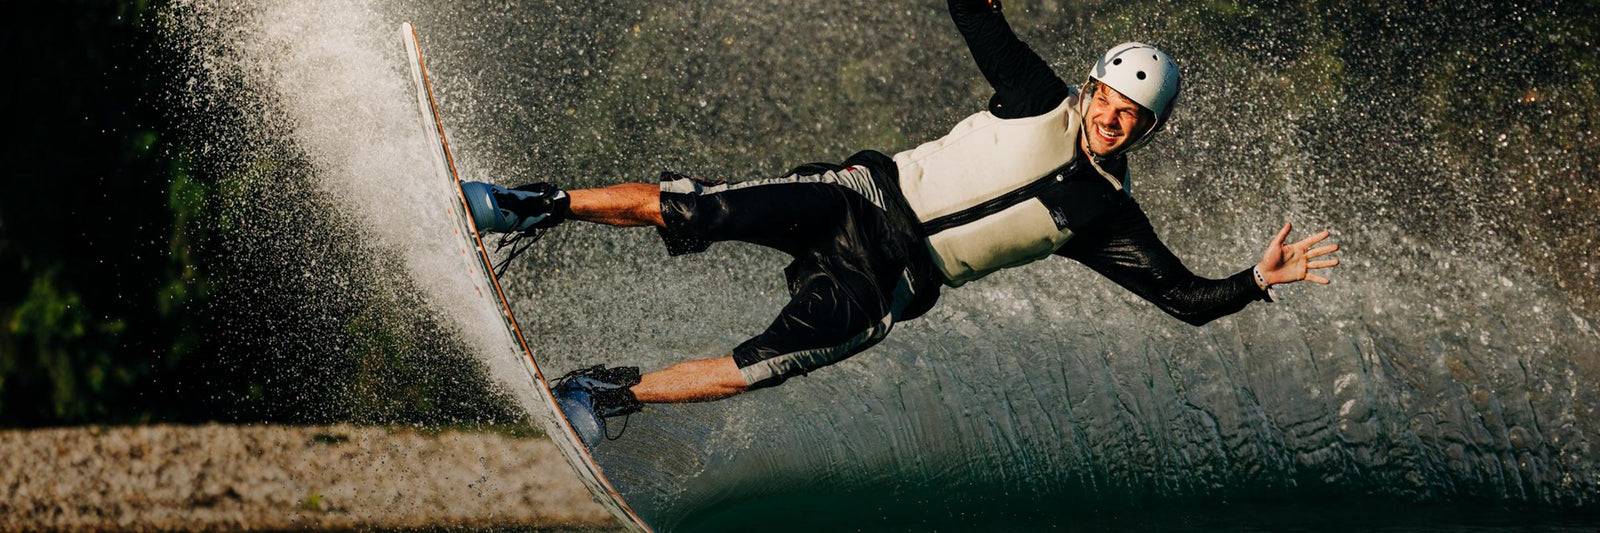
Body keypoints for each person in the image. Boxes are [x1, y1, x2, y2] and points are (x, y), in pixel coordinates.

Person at [460, 0, 1341, 446]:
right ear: (1094, 84)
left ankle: (603, 395)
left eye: (1132, 119)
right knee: (702, 203)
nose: (1113, 120)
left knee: (755, 368)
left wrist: (1259, 280)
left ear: (1151, 129)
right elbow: (973, 10)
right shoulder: (1038, 96)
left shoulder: (1107, 212)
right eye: (1111, 101)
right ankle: (526, 204)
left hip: (887, 283)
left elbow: (1184, 299)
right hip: (860, 197)